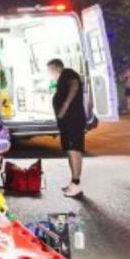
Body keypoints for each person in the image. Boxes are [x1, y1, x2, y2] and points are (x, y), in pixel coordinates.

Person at [47, 59, 86, 198]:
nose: (49, 73)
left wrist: (65, 105)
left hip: (73, 120)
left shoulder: (68, 73)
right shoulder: (61, 80)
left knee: (74, 151)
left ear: (56, 67)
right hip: (67, 122)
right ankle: (73, 183)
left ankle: (75, 185)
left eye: (49, 70)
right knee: (70, 152)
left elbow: (74, 85)